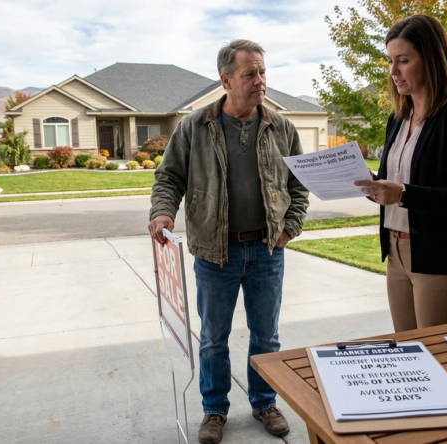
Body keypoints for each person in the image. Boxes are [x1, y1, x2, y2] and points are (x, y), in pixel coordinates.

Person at [148, 39, 309, 443]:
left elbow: (299, 185)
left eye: (263, 72)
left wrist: (289, 228)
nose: (261, 81)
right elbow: (169, 177)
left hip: (267, 250)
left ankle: (264, 402)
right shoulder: (193, 127)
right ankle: (214, 410)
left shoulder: (281, 127)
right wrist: (162, 212)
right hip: (214, 252)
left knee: (266, 335)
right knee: (213, 338)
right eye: (250, 73)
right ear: (226, 80)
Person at [354, 14, 447, 332]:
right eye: (389, 60)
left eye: (403, 60)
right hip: (396, 253)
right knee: (409, 355)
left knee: (440, 361)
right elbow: (396, 183)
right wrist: (375, 185)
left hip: (441, 257)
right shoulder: (398, 117)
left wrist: (402, 194)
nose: (393, 72)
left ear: (430, 59)